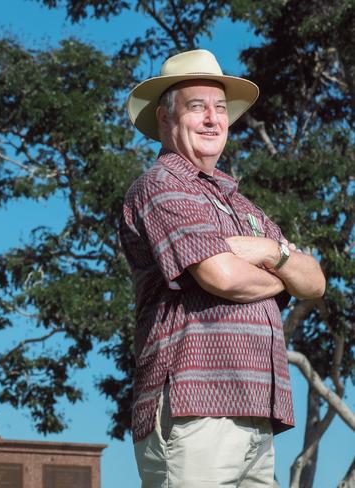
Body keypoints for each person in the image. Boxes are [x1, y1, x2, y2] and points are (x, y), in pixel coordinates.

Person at [119, 49, 326, 487]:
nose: (213, 119)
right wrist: (277, 268)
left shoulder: (242, 205)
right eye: (198, 107)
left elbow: (314, 282)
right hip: (195, 408)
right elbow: (223, 277)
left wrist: (267, 250)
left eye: (220, 108)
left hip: (257, 413)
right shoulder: (161, 185)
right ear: (164, 118)